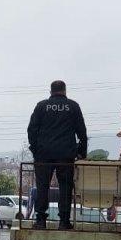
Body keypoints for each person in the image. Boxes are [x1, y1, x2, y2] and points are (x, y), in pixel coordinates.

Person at [26, 80, 88, 229]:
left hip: (43, 154)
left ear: (51, 91)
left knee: (42, 187)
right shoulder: (73, 106)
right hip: (66, 155)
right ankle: (64, 221)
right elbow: (82, 132)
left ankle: (40, 220)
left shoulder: (41, 106)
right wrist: (81, 152)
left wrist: (35, 149)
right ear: (65, 91)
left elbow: (31, 129)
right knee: (65, 187)